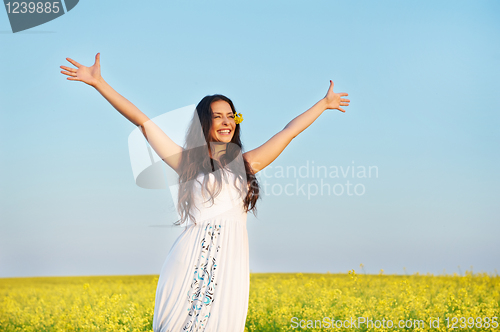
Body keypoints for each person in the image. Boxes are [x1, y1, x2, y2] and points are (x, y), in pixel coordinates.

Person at [60, 52, 350, 332]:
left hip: (229, 268)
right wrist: (99, 83)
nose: (226, 121)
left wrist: (323, 104)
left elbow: (288, 132)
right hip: (188, 263)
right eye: (217, 116)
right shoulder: (186, 163)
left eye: (230, 115)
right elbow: (143, 122)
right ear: (204, 123)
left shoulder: (247, 165)